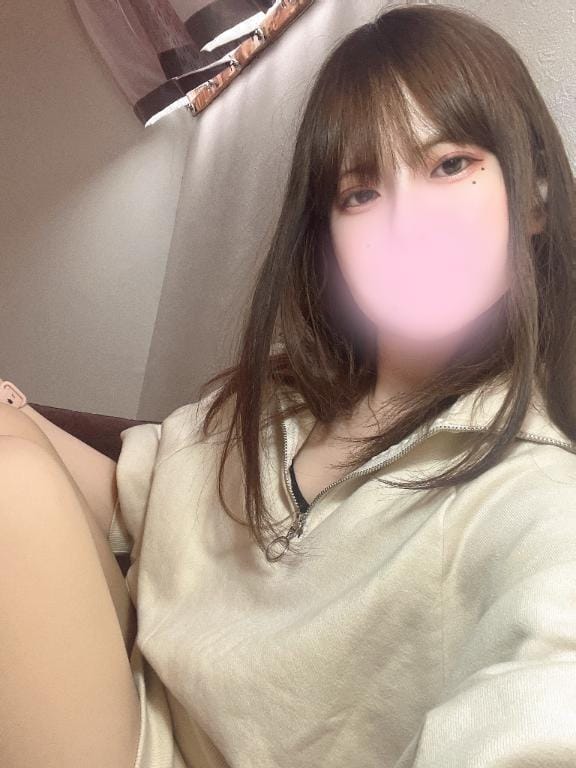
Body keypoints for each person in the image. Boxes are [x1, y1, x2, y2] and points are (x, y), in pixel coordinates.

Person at [1, 3, 575, 767]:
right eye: (360, 193)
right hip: (125, 686)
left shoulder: (530, 498)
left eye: (449, 165)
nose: (405, 223)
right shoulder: (280, 401)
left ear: (534, 197)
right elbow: (141, 499)